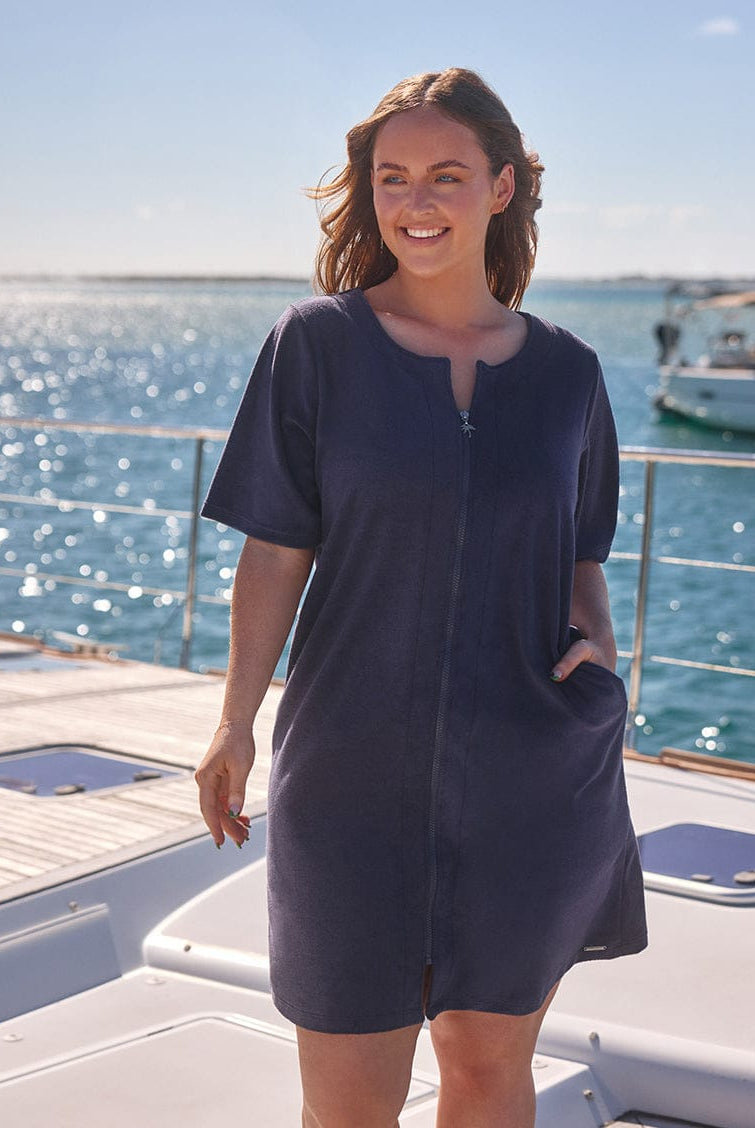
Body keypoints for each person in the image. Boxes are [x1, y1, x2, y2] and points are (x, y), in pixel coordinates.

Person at [195, 67, 648, 1128]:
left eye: (445, 175)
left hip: (529, 775)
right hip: (349, 775)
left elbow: (580, 552)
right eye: (392, 179)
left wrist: (599, 639)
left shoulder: (567, 374)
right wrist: (232, 722)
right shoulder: (312, 347)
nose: (415, 201)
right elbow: (273, 553)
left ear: (499, 189)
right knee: (350, 1105)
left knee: (489, 1074)